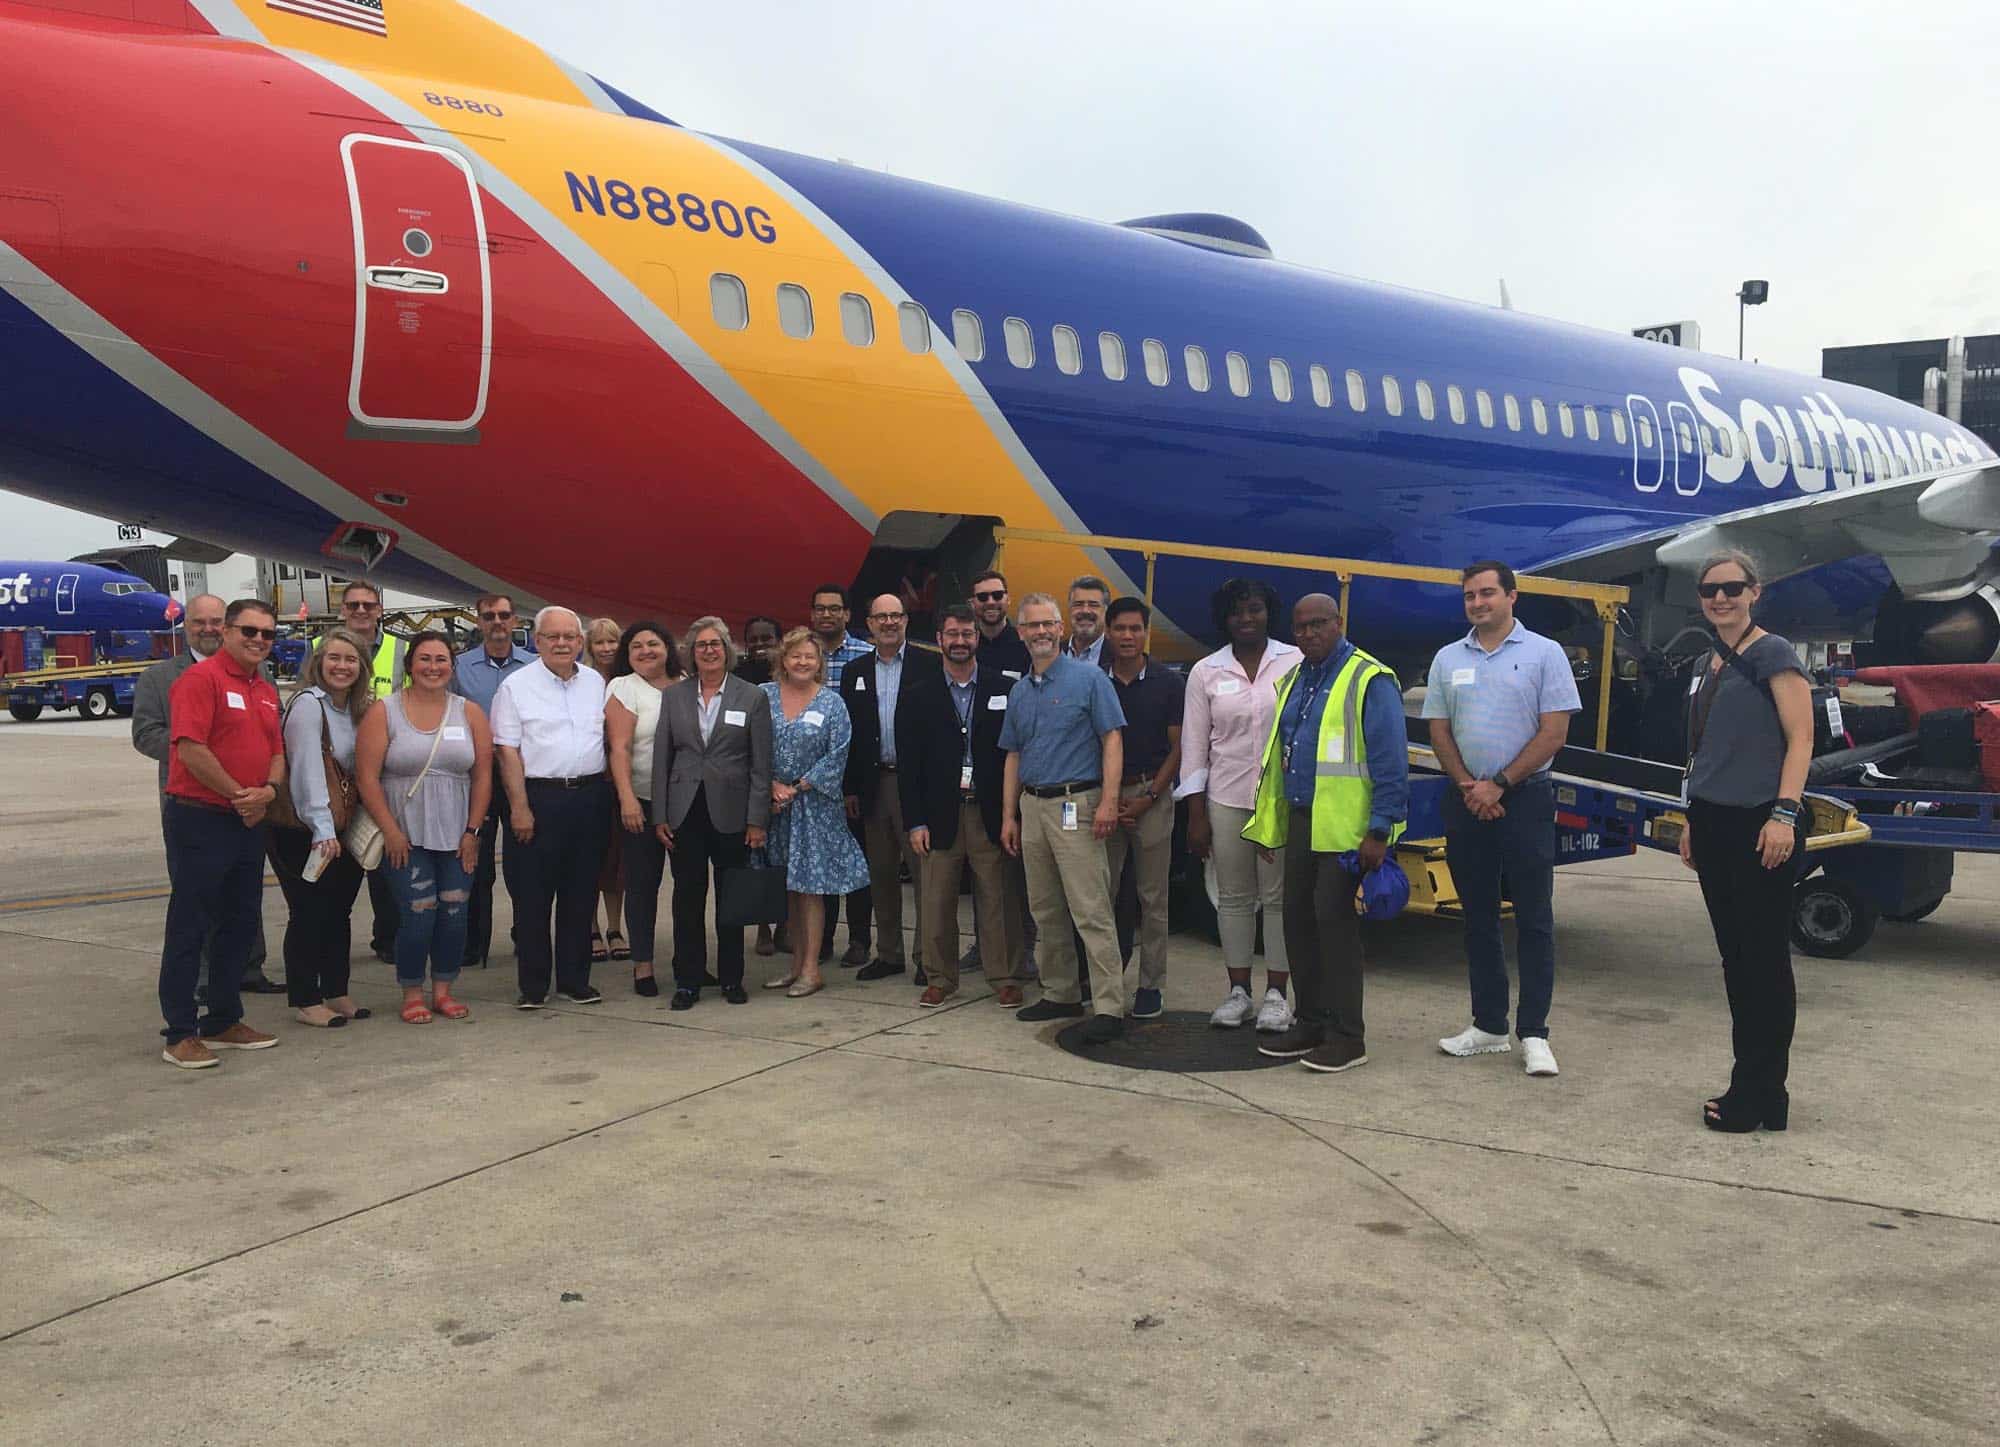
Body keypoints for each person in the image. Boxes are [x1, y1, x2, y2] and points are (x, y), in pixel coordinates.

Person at [1423, 561, 1581, 1078]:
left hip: (1526, 800)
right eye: (1470, 596)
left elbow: (1553, 733)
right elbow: (1439, 731)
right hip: (1468, 801)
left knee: (1535, 920)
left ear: (1512, 596)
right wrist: (1471, 785)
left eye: (1487, 593)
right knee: (1478, 919)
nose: (1477, 603)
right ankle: (1488, 1025)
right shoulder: (1448, 658)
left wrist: (1501, 784)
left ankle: (1534, 1032)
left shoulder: (1544, 654)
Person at [1244, 594, 1408, 1075]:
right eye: (1300, 628)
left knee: (1333, 928)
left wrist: (1380, 829)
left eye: (1318, 625)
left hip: (1347, 829)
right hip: (1300, 821)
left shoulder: (1368, 678)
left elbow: (1389, 759)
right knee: (1296, 922)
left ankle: (1347, 1035)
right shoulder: (1295, 679)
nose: (1309, 634)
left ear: (1338, 623)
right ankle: (1311, 1021)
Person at [1678, 552, 1813, 1133]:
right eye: (1710, 590)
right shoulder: (1709, 660)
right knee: (1737, 962)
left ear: (1755, 591)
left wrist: (1784, 814)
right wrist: (1692, 816)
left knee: (1762, 963)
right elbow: (1705, 749)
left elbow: (1801, 738)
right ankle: (1754, 1087)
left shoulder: (1774, 654)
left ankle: (1760, 1092)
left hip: (1761, 823)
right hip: (1713, 821)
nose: (1720, 598)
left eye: (1732, 588)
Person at [156, 598, 287, 1069]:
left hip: (249, 820)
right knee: (191, 924)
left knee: (238, 922)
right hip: (202, 817)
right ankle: (179, 1032)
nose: (258, 641)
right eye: (249, 631)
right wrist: (240, 795)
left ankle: (224, 1018)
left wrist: (268, 791)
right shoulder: (200, 680)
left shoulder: (266, 689)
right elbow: (190, 749)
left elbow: (277, 749)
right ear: (228, 632)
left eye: (267, 634)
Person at [133, 593, 280, 997]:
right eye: (201, 622)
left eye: (216, 621)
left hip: (247, 808)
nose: (209, 628)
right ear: (186, 626)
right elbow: (147, 735)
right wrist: (209, 758)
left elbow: (271, 740)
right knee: (195, 905)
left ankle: (245, 973)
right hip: (197, 807)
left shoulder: (259, 675)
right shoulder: (164, 677)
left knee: (243, 901)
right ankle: (197, 985)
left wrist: (264, 789)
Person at [999, 593, 1129, 1044]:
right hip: (1033, 807)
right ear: (1021, 633)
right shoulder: (1019, 690)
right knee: (1046, 907)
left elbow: (1112, 740)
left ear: (1060, 629)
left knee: (1091, 908)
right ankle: (1061, 992)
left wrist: (1110, 801)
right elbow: (1013, 754)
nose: (1039, 632)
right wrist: (1009, 815)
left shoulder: (1090, 679)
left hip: (1078, 804)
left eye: (1047, 625)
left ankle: (1110, 1005)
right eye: (1031, 626)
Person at [1178, 578, 1301, 1032]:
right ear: (1224, 619)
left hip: (1280, 802)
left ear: (1269, 612)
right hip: (1225, 800)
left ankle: (1276, 995)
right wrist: (1195, 814)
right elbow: (1194, 748)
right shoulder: (1206, 671)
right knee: (1233, 897)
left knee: (1277, 898)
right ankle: (1238, 993)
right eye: (1237, 612)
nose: (1246, 619)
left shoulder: (1294, 661)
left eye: (1254, 610)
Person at [356, 631, 490, 1023]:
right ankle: (412, 990)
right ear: (410, 665)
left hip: (455, 832)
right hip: (404, 832)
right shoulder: (385, 711)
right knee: (418, 912)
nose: (433, 667)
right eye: (425, 659)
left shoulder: (469, 712)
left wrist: (473, 832)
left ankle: (443, 989)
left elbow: (483, 776)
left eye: (442, 660)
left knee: (454, 911)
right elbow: (367, 778)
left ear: (452, 666)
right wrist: (391, 831)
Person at [899, 604, 1026, 1005]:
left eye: (967, 634)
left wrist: (1012, 814)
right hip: (939, 812)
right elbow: (909, 765)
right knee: (937, 900)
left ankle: (1004, 976)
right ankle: (940, 977)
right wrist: (915, 821)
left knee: (998, 899)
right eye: (951, 634)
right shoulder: (918, 694)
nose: (959, 641)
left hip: (989, 810)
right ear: (939, 639)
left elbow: (1015, 756)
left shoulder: (1003, 690)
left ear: (977, 638)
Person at [491, 607, 613, 1009]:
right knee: (533, 898)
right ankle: (533, 985)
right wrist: (519, 808)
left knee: (580, 894)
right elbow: (507, 751)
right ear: (537, 640)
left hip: (589, 798)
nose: (562, 643)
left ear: (580, 642)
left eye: (570, 637)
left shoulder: (595, 682)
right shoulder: (516, 686)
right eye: (553, 637)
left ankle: (575, 981)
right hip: (538, 799)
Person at [651, 617, 773, 1010]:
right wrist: (660, 815)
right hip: (685, 810)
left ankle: (732, 978)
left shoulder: (751, 697)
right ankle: (688, 980)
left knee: (731, 899)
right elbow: (661, 759)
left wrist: (757, 820)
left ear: (727, 650)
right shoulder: (674, 696)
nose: (708, 650)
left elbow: (761, 764)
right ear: (691, 651)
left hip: (733, 812)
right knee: (687, 898)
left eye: (715, 644)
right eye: (700, 644)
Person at [267, 627, 371, 1029]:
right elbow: (308, 771)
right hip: (306, 829)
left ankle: (336, 990)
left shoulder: (353, 708)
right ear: (318, 663)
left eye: (350, 660)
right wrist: (322, 830)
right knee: (308, 911)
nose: (342, 667)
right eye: (334, 658)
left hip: (342, 826)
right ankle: (306, 998)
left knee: (339, 911)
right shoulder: (310, 705)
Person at [840, 592, 942, 983]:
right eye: (880, 617)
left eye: (895, 616)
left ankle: (925, 957)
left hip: (914, 784)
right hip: (872, 785)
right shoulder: (856, 671)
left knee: (923, 874)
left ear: (905, 621)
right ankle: (890, 954)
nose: (888, 623)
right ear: (868, 623)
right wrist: (851, 787)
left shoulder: (930, 665)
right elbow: (852, 734)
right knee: (881, 874)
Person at [762, 629, 870, 997]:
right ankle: (794, 966)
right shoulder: (764, 696)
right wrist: (771, 783)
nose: (803, 662)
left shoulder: (832, 703)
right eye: (795, 656)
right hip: (774, 806)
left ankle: (811, 970)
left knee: (811, 888)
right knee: (788, 889)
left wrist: (799, 786)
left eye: (810, 656)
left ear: (820, 662)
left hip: (815, 806)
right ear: (783, 659)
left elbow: (839, 752)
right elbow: (750, 745)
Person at [1102, 597, 1183, 1020]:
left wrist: (1149, 796)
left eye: (1136, 629)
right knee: (1104, 895)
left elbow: (1178, 747)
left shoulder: (1169, 683)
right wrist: (1110, 799)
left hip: (1152, 797)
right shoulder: (1097, 681)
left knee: (1153, 898)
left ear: (1145, 633)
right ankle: (1106, 980)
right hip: (1107, 801)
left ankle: (1150, 985)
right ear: (1109, 632)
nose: (1128, 637)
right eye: (1120, 629)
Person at [450, 593, 533, 971]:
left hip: (521, 777)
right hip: (476, 778)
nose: (497, 622)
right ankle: (474, 943)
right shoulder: (459, 667)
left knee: (523, 864)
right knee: (477, 863)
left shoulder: (535, 666)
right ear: (478, 621)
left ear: (515, 620)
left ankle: (525, 934)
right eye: (489, 616)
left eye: (503, 615)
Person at [606, 620, 678, 996]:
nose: (646, 651)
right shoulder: (623, 688)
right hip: (642, 802)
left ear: (668, 646)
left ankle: (689, 962)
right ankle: (643, 966)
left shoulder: (688, 683)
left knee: (690, 887)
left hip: (684, 805)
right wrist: (627, 798)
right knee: (641, 886)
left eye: (653, 643)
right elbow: (620, 748)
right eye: (637, 646)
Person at [339, 579, 407, 965]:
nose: (361, 611)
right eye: (353, 606)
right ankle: (333, 941)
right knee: (343, 866)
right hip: (340, 773)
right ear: (343, 611)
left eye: (368, 605)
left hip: (388, 774)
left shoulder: (401, 650)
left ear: (380, 610)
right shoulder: (320, 648)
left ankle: (389, 939)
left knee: (386, 861)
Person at [808, 583, 873, 967]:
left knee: (858, 861)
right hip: (811, 781)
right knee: (821, 862)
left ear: (847, 615)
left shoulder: (864, 655)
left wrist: (854, 784)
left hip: (853, 777)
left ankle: (861, 938)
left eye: (835, 609)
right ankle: (824, 937)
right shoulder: (801, 656)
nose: (827, 615)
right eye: (820, 609)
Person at [584, 616, 629, 966]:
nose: (606, 648)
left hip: (621, 783)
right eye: (599, 642)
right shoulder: (582, 682)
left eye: (612, 641)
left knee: (616, 864)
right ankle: (592, 927)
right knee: (590, 862)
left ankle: (615, 928)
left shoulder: (629, 682)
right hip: (592, 779)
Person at [970, 568, 1031, 679]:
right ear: (972, 603)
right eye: (982, 597)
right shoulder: (967, 646)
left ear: (1008, 599)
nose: (991, 602)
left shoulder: (1027, 646)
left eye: (997, 595)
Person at [1066, 575, 1110, 668]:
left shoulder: (1120, 657)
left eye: (1093, 605)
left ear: (1106, 611)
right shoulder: (1052, 654)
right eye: (1078, 604)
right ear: (1069, 609)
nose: (1085, 610)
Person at [737, 616, 782, 686]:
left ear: (779, 642)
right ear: (746, 644)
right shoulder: (736, 674)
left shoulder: (791, 671)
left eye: (766, 638)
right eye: (753, 640)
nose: (759, 643)